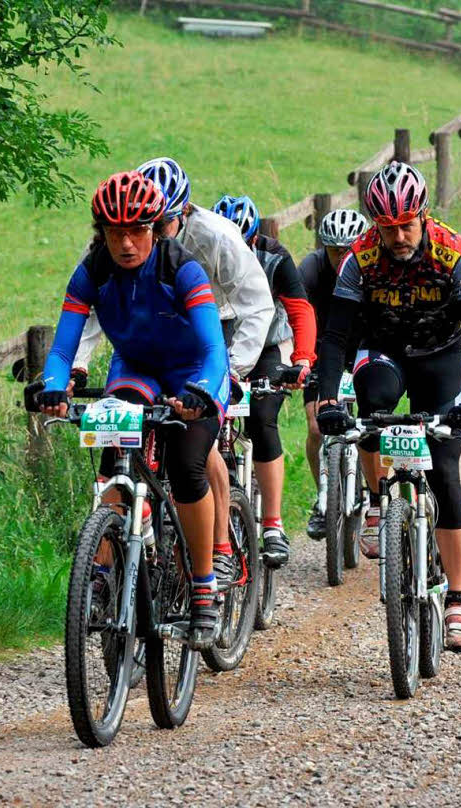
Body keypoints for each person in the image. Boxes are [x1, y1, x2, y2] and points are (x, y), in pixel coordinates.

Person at [37, 171, 231, 649]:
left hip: (193, 374)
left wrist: (201, 393)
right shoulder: (92, 271)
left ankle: (204, 588)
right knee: (112, 453)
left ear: (156, 227)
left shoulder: (181, 268)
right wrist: (53, 386)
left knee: (187, 469)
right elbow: (63, 349)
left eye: (136, 231)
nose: (125, 243)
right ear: (100, 232)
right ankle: (102, 570)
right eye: (114, 233)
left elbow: (213, 349)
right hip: (137, 369)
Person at [71, 157, 274, 590]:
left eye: (163, 224)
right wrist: (76, 365)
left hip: (213, 331)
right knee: (118, 445)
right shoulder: (124, 240)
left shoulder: (216, 236)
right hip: (148, 340)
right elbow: (92, 306)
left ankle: (217, 548)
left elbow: (257, 304)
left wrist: (231, 372)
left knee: (198, 452)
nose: (152, 233)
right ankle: (107, 569)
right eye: (148, 224)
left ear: (183, 213)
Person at [314, 161, 461, 652]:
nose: (397, 236)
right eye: (387, 227)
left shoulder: (452, 251)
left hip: (442, 355)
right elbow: (334, 338)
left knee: (444, 470)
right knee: (370, 408)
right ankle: (379, 505)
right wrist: (328, 398)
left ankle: (457, 600)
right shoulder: (360, 257)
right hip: (384, 349)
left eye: (406, 225)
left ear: (423, 216)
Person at [212, 194, 317, 568]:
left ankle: (272, 523)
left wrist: (302, 358)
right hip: (218, 349)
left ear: (254, 239)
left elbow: (300, 309)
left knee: (262, 419)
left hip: (267, 351)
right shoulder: (206, 251)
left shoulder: (275, 256)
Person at [299, 208, 370, 539]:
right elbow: (297, 314)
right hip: (320, 349)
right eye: (335, 250)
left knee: (371, 423)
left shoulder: (370, 267)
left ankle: (374, 493)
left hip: (360, 346)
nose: (342, 257)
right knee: (316, 427)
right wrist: (300, 359)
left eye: (349, 249)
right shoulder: (311, 270)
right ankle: (323, 497)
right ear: (323, 247)